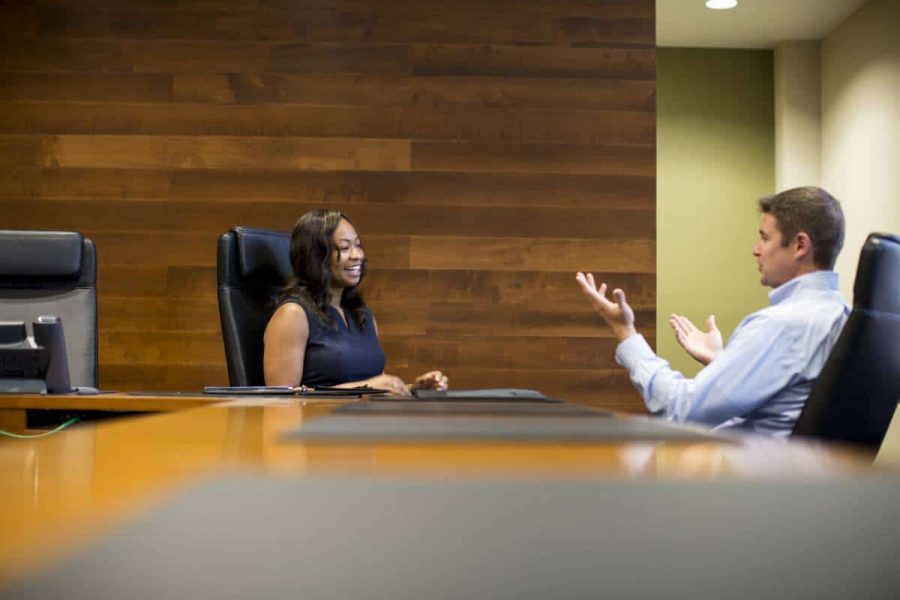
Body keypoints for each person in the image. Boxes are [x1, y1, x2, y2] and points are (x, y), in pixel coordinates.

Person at [575, 186, 849, 437]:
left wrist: (626, 333)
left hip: (748, 482)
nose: (756, 250)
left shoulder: (783, 325)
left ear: (800, 245)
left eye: (765, 238)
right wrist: (722, 362)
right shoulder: (841, 316)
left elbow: (681, 409)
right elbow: (789, 399)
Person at [264, 209, 448, 395]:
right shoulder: (293, 314)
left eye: (358, 245)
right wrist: (365, 388)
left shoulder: (362, 314)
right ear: (315, 256)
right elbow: (281, 397)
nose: (358, 255)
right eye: (345, 248)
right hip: (319, 422)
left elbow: (377, 385)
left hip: (365, 421)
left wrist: (413, 389)